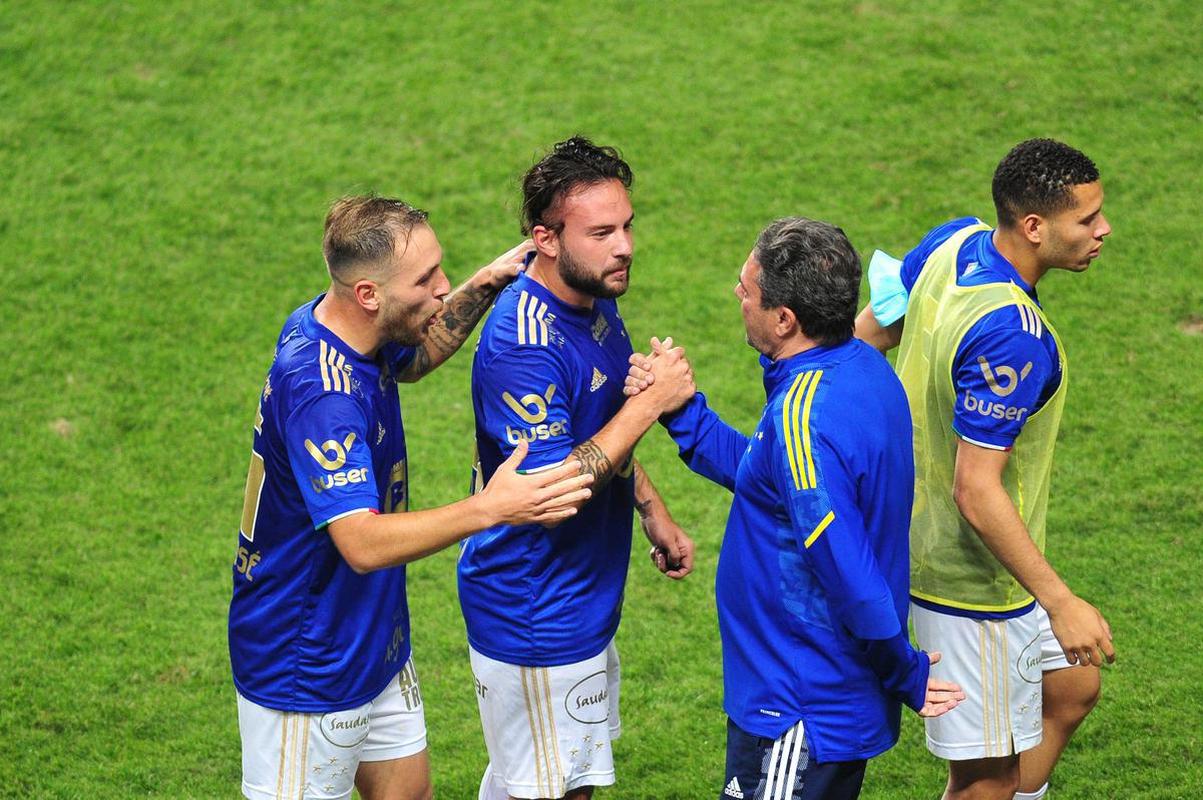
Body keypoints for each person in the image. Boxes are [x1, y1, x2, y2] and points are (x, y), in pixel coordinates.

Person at [228, 196, 593, 800]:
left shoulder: (341, 326)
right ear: (369, 294)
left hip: (372, 635)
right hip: (306, 660)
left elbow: (415, 358)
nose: (442, 287)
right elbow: (363, 544)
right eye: (426, 280)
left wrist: (485, 283)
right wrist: (489, 508)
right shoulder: (324, 397)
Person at [626, 218, 964, 800]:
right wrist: (682, 412)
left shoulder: (800, 419)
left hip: (799, 705)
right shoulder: (859, 367)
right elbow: (768, 478)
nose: (737, 295)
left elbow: (852, 578)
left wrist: (905, 671)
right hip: (811, 689)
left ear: (785, 319)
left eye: (747, 289)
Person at [854, 138, 1116, 800]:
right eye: (1085, 219)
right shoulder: (1013, 337)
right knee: (984, 776)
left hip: (933, 539)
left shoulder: (952, 242)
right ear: (1033, 227)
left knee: (1071, 685)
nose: (1102, 230)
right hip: (969, 581)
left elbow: (868, 335)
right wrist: (1059, 602)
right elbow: (975, 489)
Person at [458, 137, 696, 800]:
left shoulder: (594, 300)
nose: (623, 246)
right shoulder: (523, 345)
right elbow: (550, 488)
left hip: (574, 597)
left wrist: (651, 509)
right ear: (546, 239)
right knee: (555, 789)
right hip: (535, 608)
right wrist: (649, 405)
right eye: (600, 232)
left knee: (535, 782)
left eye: (625, 226)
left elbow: (593, 431)